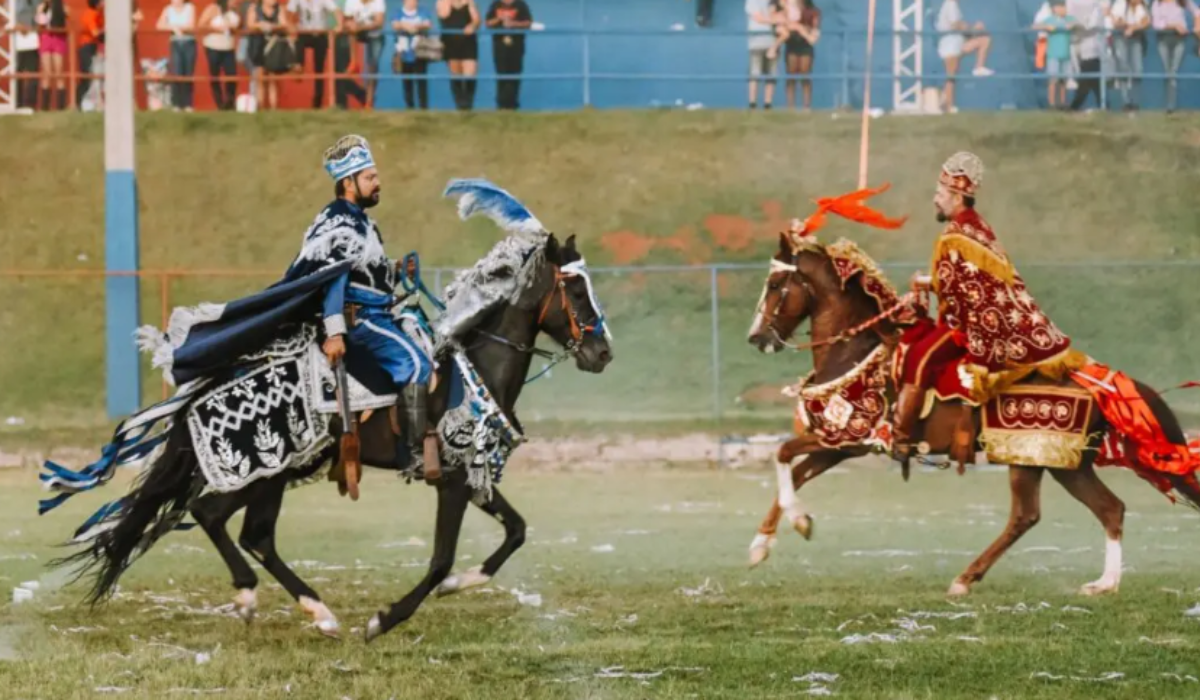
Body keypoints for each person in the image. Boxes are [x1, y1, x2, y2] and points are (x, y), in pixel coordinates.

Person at [893, 152, 1081, 469]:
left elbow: (958, 287)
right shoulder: (977, 228)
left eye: (939, 195)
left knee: (918, 357)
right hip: (978, 320)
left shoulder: (957, 234)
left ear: (956, 196)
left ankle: (900, 438)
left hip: (970, 329)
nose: (934, 201)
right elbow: (967, 282)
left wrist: (922, 284)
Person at [313, 136, 439, 477]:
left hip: (378, 312)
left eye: (375, 175)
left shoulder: (361, 222)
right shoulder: (341, 224)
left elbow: (366, 274)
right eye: (370, 177)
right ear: (348, 183)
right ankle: (412, 455)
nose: (378, 183)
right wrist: (335, 332)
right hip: (362, 321)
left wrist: (397, 270)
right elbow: (334, 279)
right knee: (416, 365)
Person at [935, 0, 993, 113]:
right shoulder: (950, 4)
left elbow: (960, 28)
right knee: (951, 76)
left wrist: (973, 30)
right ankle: (948, 105)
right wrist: (973, 28)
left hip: (957, 44)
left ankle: (978, 67)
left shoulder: (953, 5)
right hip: (950, 46)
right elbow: (956, 24)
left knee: (984, 40)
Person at [288, 0, 342, 109]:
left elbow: (336, 11)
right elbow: (289, 12)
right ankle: (298, 65)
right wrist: (291, 25)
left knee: (319, 69)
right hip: (304, 33)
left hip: (320, 34)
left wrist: (339, 25)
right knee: (298, 40)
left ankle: (317, 102)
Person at [485, 0, 532, 110]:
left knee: (515, 74)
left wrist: (514, 24)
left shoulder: (521, 4)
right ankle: (501, 105)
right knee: (501, 74)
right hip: (499, 45)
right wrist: (499, 18)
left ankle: (513, 105)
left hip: (517, 45)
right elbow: (487, 23)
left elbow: (528, 23)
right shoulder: (495, 4)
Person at [438, 0, 480, 110]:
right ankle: (460, 105)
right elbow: (443, 14)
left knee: (470, 72)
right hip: (451, 42)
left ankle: (468, 104)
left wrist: (472, 25)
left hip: (468, 42)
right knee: (455, 73)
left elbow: (477, 20)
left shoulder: (470, 2)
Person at [199, 0, 241, 110]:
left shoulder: (235, 11)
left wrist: (233, 28)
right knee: (215, 75)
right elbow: (201, 25)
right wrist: (216, 29)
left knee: (232, 74)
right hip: (213, 46)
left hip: (229, 47)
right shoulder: (213, 8)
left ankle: (230, 102)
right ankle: (220, 104)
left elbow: (239, 27)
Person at [248, 0, 289, 110]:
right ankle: (261, 107)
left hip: (273, 46)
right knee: (260, 78)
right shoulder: (254, 8)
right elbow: (250, 25)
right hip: (258, 45)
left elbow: (284, 24)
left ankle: (273, 109)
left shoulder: (279, 9)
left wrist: (272, 27)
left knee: (272, 79)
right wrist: (260, 25)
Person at [1108, 0, 1149, 111]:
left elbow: (1146, 22)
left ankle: (1135, 102)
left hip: (1136, 38)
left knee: (1138, 69)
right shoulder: (1119, 4)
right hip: (1120, 38)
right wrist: (1131, 24)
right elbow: (1116, 22)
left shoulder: (1141, 6)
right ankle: (1126, 102)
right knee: (1123, 68)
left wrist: (1133, 27)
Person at [391, 0, 432, 110]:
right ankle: (410, 108)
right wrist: (405, 26)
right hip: (404, 54)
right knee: (407, 83)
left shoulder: (423, 11)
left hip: (420, 53)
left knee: (421, 82)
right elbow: (395, 24)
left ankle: (424, 109)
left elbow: (427, 24)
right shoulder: (398, 12)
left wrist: (415, 26)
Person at [1035, 1, 1076, 109]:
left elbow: (1078, 24)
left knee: (1063, 80)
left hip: (1065, 55)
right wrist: (1046, 26)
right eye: (1060, 7)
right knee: (1053, 79)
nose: (1063, 9)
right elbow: (1035, 26)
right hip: (1053, 54)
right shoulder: (1050, 20)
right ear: (1054, 9)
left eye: (1064, 7)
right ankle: (1052, 103)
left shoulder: (1069, 19)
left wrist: (1072, 25)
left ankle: (1063, 103)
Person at [780, 0, 819, 110]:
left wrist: (810, 31)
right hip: (792, 43)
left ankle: (806, 106)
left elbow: (815, 27)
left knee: (805, 76)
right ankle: (790, 106)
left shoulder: (813, 10)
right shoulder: (787, 8)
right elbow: (787, 24)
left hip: (806, 46)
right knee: (791, 76)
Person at [157, 0, 196, 111]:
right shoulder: (167, 9)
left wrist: (178, 28)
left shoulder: (190, 7)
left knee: (188, 73)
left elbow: (191, 25)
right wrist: (173, 28)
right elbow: (159, 25)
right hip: (175, 42)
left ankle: (188, 104)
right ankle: (177, 104)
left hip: (189, 42)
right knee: (177, 72)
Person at [343, 0, 384, 106]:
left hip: (375, 35)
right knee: (350, 32)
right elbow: (347, 20)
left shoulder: (379, 2)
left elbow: (379, 22)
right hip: (358, 32)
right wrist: (351, 25)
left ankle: (369, 101)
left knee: (373, 67)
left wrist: (359, 27)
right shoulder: (351, 2)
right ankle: (354, 61)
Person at [1152, 0, 1189, 113]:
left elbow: (1197, 12)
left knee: (1173, 71)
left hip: (1179, 40)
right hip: (1163, 40)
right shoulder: (1157, 4)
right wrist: (1174, 26)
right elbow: (1156, 24)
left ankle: (1171, 106)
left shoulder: (1182, 2)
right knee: (1168, 72)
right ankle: (1169, 105)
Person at [1067, 0, 1105, 111]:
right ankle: (1103, 105)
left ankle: (1074, 107)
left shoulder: (1096, 8)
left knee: (1088, 81)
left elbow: (1091, 27)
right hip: (1081, 50)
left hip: (1093, 50)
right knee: (1093, 82)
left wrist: (1077, 26)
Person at [745, 0, 781, 110]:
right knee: (754, 74)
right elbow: (758, 18)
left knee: (772, 74)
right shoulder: (752, 1)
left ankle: (767, 104)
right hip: (756, 41)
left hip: (773, 41)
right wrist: (774, 20)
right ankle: (752, 104)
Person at [35, 0, 68, 111]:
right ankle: (45, 107)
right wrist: (42, 10)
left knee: (59, 72)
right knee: (47, 72)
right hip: (46, 37)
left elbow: (68, 15)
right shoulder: (42, 6)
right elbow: (39, 22)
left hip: (58, 38)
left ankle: (60, 107)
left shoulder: (62, 6)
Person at [76, 0, 105, 109]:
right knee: (86, 76)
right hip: (86, 47)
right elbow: (95, 33)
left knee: (94, 76)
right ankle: (79, 103)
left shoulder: (100, 14)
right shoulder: (90, 14)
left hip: (95, 47)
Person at [14, 0, 41, 110]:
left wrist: (34, 25)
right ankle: (17, 103)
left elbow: (42, 16)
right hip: (16, 43)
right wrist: (17, 25)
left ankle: (30, 104)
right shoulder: (13, 2)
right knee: (16, 74)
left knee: (33, 75)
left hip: (33, 42)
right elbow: (6, 14)